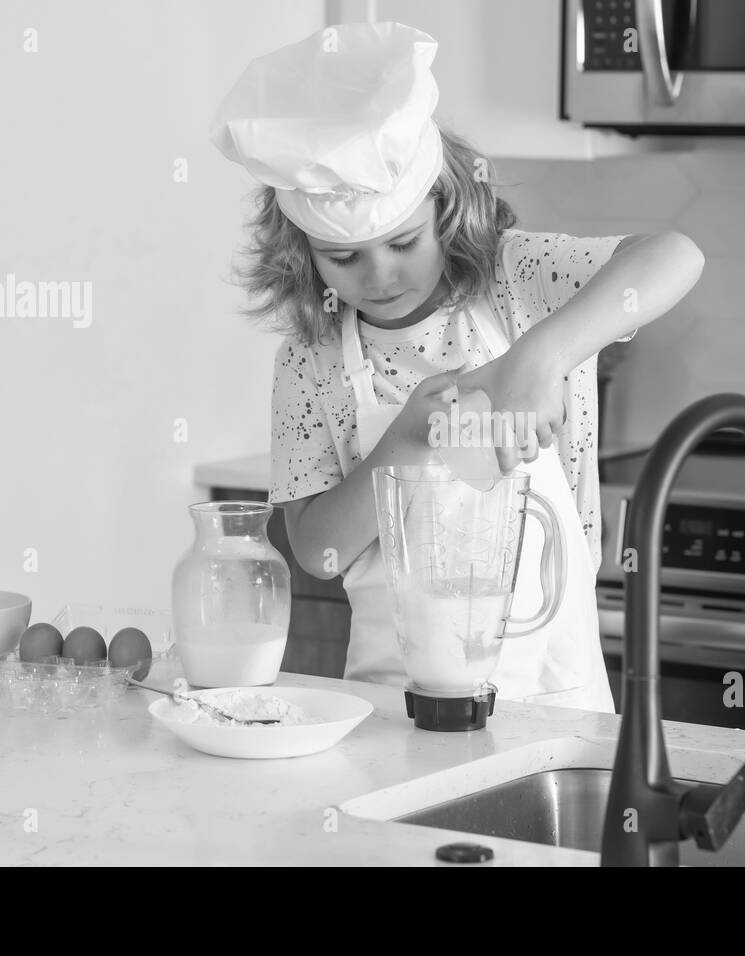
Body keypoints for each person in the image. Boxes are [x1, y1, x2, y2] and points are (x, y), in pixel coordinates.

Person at [210, 22, 705, 713]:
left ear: (445, 205)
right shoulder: (312, 359)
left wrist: (540, 357)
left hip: (552, 693)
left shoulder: (512, 281)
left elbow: (676, 255)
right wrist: (409, 439)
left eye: (403, 242)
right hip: (392, 704)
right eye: (343, 257)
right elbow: (319, 555)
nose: (379, 276)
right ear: (302, 250)